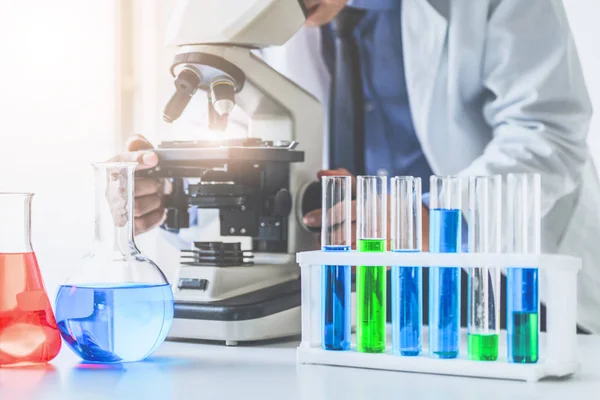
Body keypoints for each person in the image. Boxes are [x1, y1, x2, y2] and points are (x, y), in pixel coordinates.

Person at [114, 0, 600, 333]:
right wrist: (171, 194)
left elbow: (547, 130)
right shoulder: (269, 22)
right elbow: (243, 156)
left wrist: (430, 219)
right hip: (349, 304)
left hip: (500, 286)